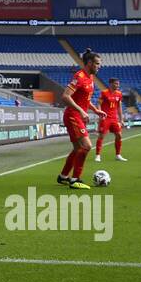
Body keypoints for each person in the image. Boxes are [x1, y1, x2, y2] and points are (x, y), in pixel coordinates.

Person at [59, 49, 106, 189]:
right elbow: (65, 96)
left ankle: (63, 177)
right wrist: (80, 110)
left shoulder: (90, 78)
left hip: (77, 115)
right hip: (73, 115)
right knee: (86, 146)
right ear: (89, 63)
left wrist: (95, 110)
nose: (99, 66)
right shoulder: (79, 76)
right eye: (97, 63)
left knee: (78, 148)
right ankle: (75, 180)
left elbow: (85, 99)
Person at [94, 77, 128, 162]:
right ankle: (98, 155)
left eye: (118, 84)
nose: (118, 85)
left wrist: (121, 119)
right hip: (105, 118)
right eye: (116, 84)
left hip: (114, 118)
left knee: (119, 135)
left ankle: (118, 155)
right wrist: (100, 113)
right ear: (111, 84)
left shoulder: (119, 94)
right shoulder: (104, 93)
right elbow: (98, 103)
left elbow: (119, 107)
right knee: (101, 136)